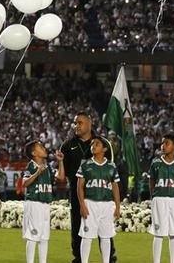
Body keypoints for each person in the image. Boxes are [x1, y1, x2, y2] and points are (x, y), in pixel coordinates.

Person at [61, 112, 117, 263]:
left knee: (104, 229)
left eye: (80, 122)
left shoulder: (103, 143)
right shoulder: (67, 145)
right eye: (75, 123)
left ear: (89, 124)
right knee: (77, 227)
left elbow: (110, 171)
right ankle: (79, 258)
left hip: (100, 192)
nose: (76, 126)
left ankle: (109, 258)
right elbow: (63, 173)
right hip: (77, 191)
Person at [77, 137, 121, 263]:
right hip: (90, 203)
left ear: (105, 149)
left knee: (106, 237)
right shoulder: (85, 164)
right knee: (87, 236)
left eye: (97, 144)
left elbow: (115, 187)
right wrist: (82, 205)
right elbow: (79, 187)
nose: (93, 146)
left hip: (107, 205)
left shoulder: (111, 166)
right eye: (92, 144)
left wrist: (117, 207)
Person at [22, 140, 66, 263]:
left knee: (44, 238)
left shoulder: (47, 167)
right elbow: (24, 183)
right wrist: (37, 172)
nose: (44, 148)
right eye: (40, 147)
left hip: (45, 204)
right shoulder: (31, 165)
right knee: (33, 236)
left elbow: (61, 178)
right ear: (34, 152)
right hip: (34, 203)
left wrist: (61, 162)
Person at [148, 133, 174, 263]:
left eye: (166, 143)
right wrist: (154, 196)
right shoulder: (156, 163)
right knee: (158, 233)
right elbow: (152, 181)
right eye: (162, 143)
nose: (163, 146)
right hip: (159, 199)